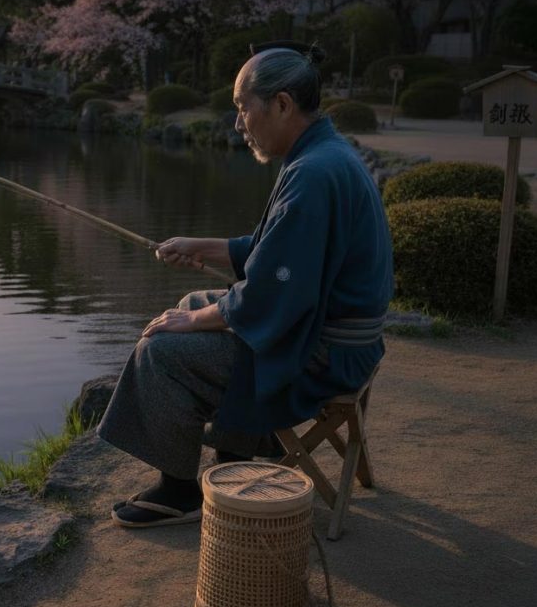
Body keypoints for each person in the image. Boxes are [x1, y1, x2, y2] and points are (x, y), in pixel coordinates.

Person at [96, 43, 394, 528]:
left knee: (162, 349)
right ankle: (234, 453)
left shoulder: (313, 174)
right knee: (191, 303)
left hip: (324, 353)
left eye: (242, 107)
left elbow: (269, 293)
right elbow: (272, 251)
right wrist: (200, 246)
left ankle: (179, 491)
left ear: (282, 104)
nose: (238, 123)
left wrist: (193, 321)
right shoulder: (324, 154)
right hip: (342, 335)